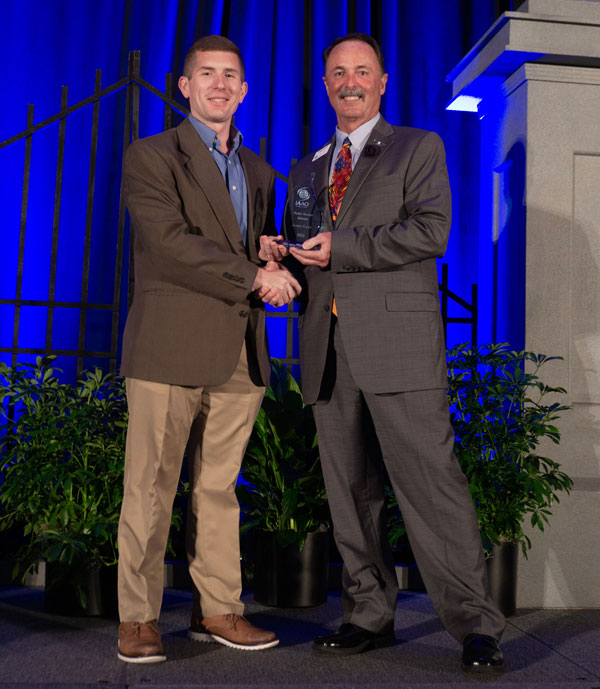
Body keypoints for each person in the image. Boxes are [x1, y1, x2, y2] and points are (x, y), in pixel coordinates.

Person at [260, 33, 505, 672]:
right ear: (324, 83)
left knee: (433, 487)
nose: (350, 81)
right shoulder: (310, 165)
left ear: (383, 80)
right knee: (350, 495)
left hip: (398, 347)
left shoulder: (417, 148)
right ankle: (368, 615)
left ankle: (476, 625)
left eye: (361, 70)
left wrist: (339, 247)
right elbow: (314, 247)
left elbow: (429, 231)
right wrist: (280, 256)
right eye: (337, 72)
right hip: (328, 349)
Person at [117, 35, 300, 663]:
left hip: (239, 352)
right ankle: (138, 619)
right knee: (150, 488)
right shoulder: (151, 156)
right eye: (207, 74)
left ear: (245, 90)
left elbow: (239, 248)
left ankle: (218, 609)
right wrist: (255, 275)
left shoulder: (256, 170)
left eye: (231, 76)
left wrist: (268, 254)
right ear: (184, 87)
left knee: (219, 488)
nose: (220, 85)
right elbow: (171, 243)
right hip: (168, 348)